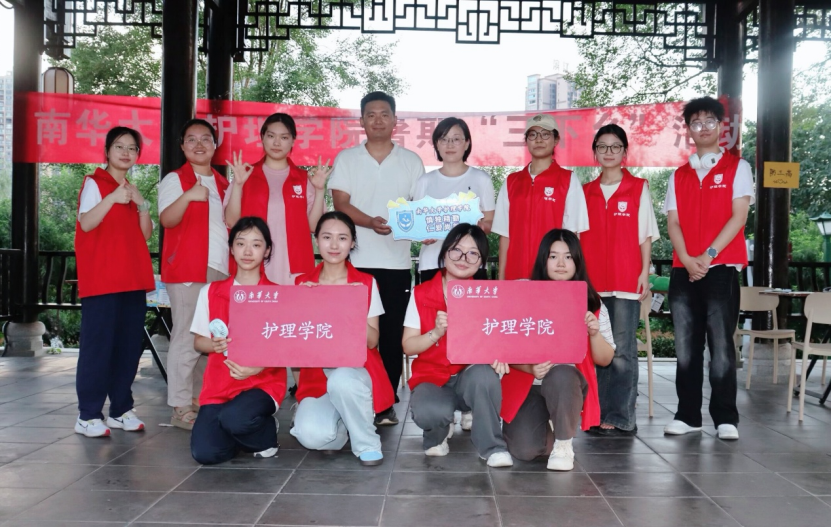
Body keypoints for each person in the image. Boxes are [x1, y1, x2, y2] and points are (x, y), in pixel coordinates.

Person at [329, 91, 425, 425]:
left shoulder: (411, 161)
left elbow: (419, 209)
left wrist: (420, 229)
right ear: (361, 121)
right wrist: (369, 222)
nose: (378, 120)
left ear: (395, 120)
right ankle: (354, 398)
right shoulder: (347, 158)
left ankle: (384, 404)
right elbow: (340, 203)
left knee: (391, 337)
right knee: (355, 334)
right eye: (371, 115)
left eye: (385, 114)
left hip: (397, 264)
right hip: (355, 264)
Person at [662, 97, 754, 441]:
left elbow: (739, 217)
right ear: (688, 129)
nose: (703, 128)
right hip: (683, 269)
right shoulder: (679, 175)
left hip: (721, 268)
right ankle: (688, 416)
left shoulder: (737, 167)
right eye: (696, 123)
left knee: (721, 345)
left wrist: (708, 255)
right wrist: (688, 259)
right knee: (686, 348)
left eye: (709, 122)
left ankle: (725, 417)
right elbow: (673, 222)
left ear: (721, 127)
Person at [500, 229, 615, 471]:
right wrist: (529, 368)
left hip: (567, 383)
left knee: (561, 373)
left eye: (568, 257)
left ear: (577, 262)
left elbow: (605, 359)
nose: (561, 264)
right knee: (525, 451)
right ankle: (552, 426)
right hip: (528, 384)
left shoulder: (592, 302)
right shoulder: (522, 291)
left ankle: (564, 444)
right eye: (553, 256)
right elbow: (501, 342)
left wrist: (594, 334)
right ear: (543, 259)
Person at [402, 223, 514, 468]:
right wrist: (435, 333)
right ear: (445, 252)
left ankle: (492, 447)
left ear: (481, 261)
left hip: (469, 376)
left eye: (473, 253)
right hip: (432, 377)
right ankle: (437, 433)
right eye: (457, 250)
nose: (464, 258)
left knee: (484, 376)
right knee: (430, 411)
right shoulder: (421, 293)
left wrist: (500, 354)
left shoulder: (487, 295)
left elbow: (500, 338)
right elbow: (408, 346)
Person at [290, 212, 395, 466]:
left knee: (342, 380)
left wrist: (350, 307)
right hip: (317, 378)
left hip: (356, 373)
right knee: (311, 436)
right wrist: (304, 304)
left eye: (342, 238)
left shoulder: (365, 283)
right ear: (317, 240)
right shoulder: (302, 284)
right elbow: (295, 346)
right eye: (327, 237)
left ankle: (367, 443)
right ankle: (344, 428)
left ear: (352, 242)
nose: (334, 245)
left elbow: (372, 341)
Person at [74, 126, 155, 438]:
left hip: (132, 280)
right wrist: (112, 199)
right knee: (98, 348)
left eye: (132, 148)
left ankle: (120, 410)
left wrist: (142, 204)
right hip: (103, 282)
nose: (126, 152)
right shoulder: (94, 183)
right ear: (107, 151)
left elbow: (144, 235)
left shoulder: (130, 190)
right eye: (119, 146)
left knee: (128, 349)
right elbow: (86, 223)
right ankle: (88, 415)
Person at [581, 124, 660, 437]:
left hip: (626, 279)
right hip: (592, 283)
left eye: (615, 146)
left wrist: (644, 272)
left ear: (625, 152)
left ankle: (622, 416)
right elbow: (575, 237)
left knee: (623, 350)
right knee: (595, 346)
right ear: (595, 152)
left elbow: (646, 235)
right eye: (602, 146)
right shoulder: (584, 192)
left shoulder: (638, 187)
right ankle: (596, 413)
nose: (609, 152)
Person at [190, 217, 287, 465]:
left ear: (267, 250)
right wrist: (214, 345)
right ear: (231, 248)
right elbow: (199, 341)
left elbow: (286, 347)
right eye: (241, 243)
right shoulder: (210, 292)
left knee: (235, 419)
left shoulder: (278, 295)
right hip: (219, 387)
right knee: (205, 454)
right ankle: (241, 432)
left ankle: (264, 433)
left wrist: (258, 367)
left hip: (262, 383)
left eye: (256, 244)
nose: (247, 251)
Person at [159, 119, 230, 431]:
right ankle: (179, 406)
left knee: (209, 338)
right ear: (182, 146)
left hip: (220, 269)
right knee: (187, 337)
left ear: (215, 146)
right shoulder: (176, 179)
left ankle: (200, 400)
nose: (199, 145)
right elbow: (167, 219)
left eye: (205, 139)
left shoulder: (223, 183)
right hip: (188, 267)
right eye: (191, 139)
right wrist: (188, 196)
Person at [225, 113, 329, 285]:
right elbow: (231, 221)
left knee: (294, 302)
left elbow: (314, 226)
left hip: (294, 265)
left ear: (293, 141)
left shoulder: (304, 179)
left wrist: (319, 191)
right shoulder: (245, 175)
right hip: (251, 262)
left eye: (284, 137)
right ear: (262, 137)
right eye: (271, 136)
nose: (277, 143)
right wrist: (237, 185)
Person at [492, 114, 589, 281]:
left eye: (545, 134)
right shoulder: (511, 182)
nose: (538, 140)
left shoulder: (568, 180)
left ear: (556, 140)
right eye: (533, 134)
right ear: (526, 141)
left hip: (552, 277)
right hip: (516, 275)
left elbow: (572, 236)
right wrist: (501, 279)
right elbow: (504, 236)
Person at [413, 117, 495, 283]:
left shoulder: (481, 179)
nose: (449, 145)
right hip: (433, 261)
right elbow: (417, 223)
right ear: (436, 144)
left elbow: (490, 222)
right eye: (443, 139)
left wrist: (479, 226)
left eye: (456, 139)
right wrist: (422, 235)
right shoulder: (424, 181)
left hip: (471, 262)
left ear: (467, 143)